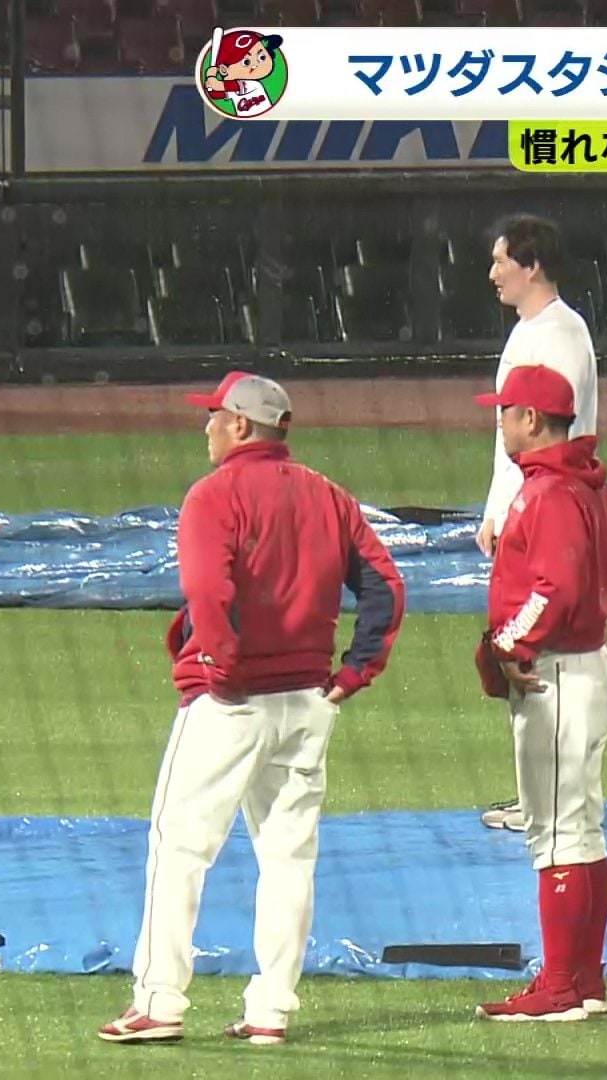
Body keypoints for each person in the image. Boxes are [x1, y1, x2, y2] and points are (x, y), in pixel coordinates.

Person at [99, 371, 406, 1047]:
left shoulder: (214, 495)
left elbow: (209, 591)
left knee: (179, 848)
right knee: (289, 858)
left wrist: (221, 668)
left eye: (214, 415)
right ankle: (271, 1010)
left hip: (230, 705)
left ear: (241, 425)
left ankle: (159, 1002)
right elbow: (385, 587)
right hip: (307, 704)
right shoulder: (329, 495)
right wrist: (356, 672)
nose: (206, 426)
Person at [470, 364, 607, 1022]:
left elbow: (555, 588)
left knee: (557, 834)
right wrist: (587, 618)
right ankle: (585, 980)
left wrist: (510, 645)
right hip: (587, 666)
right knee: (583, 831)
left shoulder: (548, 492)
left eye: (505, 412)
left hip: (556, 676)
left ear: (532, 419)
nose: (500, 422)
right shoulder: (589, 484)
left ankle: (560, 986)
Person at [477, 213, 601, 835]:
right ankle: (537, 797)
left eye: (502, 261)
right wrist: (495, 507)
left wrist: (515, 508)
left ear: (531, 266)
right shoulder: (530, 330)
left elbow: (547, 434)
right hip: (526, 504)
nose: (492, 272)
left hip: (546, 506)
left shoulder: (561, 334)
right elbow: (511, 439)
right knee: (525, 648)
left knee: (543, 651)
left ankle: (552, 801)